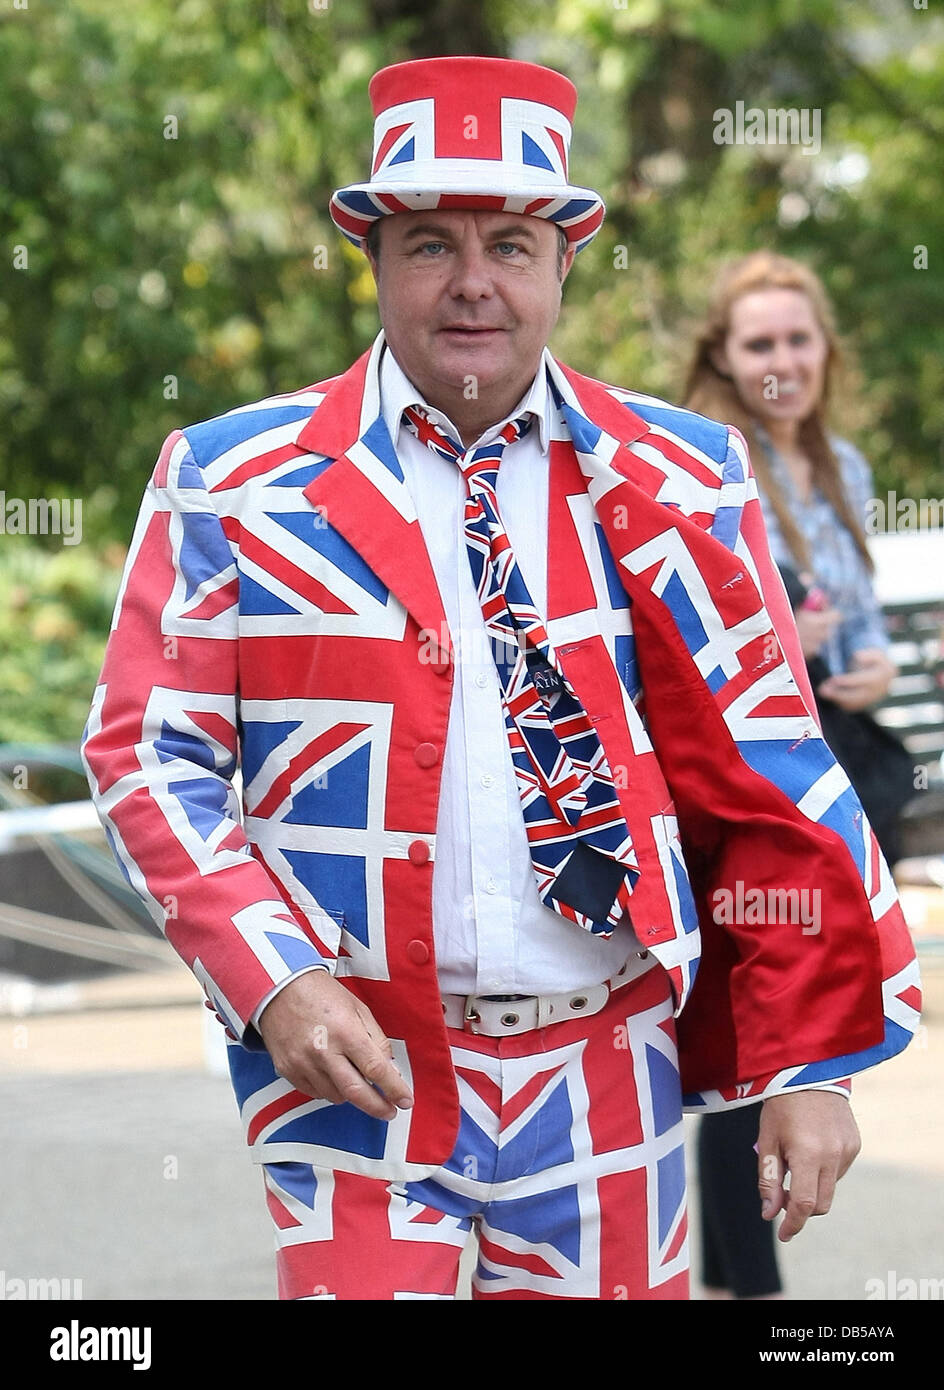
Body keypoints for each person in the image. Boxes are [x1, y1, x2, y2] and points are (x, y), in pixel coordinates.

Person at [82, 58, 920, 1302]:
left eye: (511, 243)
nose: (473, 281)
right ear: (369, 254)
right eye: (429, 242)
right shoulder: (234, 479)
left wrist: (807, 1067)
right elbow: (146, 750)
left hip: (609, 1064)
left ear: (563, 258)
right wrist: (274, 981)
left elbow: (773, 775)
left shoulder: (684, 476)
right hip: (358, 1072)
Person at [684, 250, 911, 1300]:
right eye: (757, 343)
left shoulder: (843, 471)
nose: (780, 360)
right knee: (758, 1037)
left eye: (795, 338)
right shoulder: (700, 468)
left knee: (787, 1031)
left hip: (828, 783)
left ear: (823, 347)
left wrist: (862, 666)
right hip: (739, 796)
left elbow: (853, 633)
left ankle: (737, 1283)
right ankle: (756, 1293)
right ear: (723, 359)